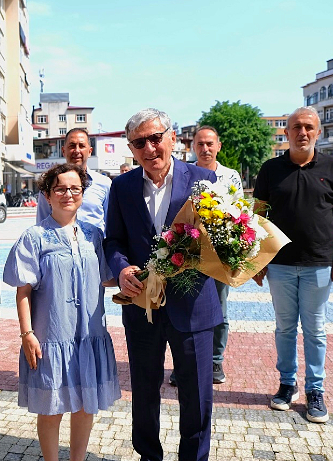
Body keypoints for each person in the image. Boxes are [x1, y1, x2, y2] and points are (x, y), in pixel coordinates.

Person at [104, 108, 221, 461]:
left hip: (194, 305)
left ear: (172, 137)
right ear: (131, 149)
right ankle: (149, 456)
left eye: (156, 138)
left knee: (197, 393)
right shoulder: (121, 186)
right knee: (143, 389)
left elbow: (220, 239)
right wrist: (122, 269)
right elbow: (114, 241)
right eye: (140, 142)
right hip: (143, 307)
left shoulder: (204, 180)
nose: (150, 148)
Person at [4, 163, 121, 461]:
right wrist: (27, 334)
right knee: (52, 408)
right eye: (60, 188)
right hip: (51, 336)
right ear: (47, 195)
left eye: (75, 188)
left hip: (89, 335)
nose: (68, 194)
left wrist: (140, 278)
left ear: (83, 193)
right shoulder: (35, 237)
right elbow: (23, 291)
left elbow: (106, 277)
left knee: (85, 405)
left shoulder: (95, 235)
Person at [253, 106, 333, 424]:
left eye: (309, 127)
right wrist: (257, 261)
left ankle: (315, 391)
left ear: (318, 132)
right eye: (296, 127)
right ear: (286, 133)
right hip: (280, 265)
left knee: (315, 330)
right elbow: (256, 217)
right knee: (284, 328)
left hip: (319, 264)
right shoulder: (270, 170)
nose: (303, 132)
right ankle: (287, 385)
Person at [187, 125, 243, 386]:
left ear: (219, 146)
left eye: (210, 143)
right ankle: (184, 361)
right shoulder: (184, 173)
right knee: (185, 309)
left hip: (220, 254)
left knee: (219, 309)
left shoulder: (230, 177)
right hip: (189, 252)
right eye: (200, 144)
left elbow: (240, 214)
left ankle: (215, 361)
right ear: (193, 147)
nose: (205, 148)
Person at [36, 128, 111, 232]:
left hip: (95, 246)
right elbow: (42, 224)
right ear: (63, 151)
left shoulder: (104, 184)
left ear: (90, 151)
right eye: (72, 146)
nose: (77, 151)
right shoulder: (49, 183)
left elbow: (111, 224)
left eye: (81, 146)